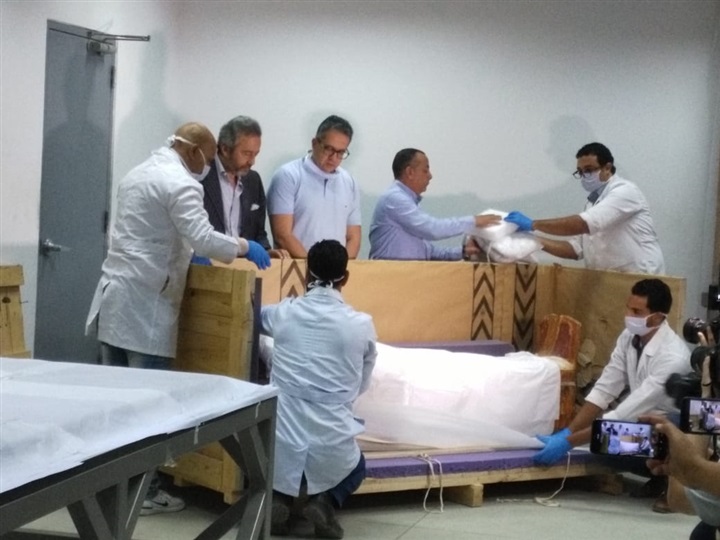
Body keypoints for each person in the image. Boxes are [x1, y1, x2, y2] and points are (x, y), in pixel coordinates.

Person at [85, 122, 270, 515]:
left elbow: (156, 234)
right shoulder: (180, 183)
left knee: (115, 407)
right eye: (208, 158)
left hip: (116, 300)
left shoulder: (137, 174)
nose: (207, 167)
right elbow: (203, 237)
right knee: (148, 408)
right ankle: (145, 492)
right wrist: (244, 245)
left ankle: (111, 489)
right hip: (147, 307)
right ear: (194, 151)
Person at [532, 279, 691, 510]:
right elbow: (605, 388)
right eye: (628, 308)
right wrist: (569, 431)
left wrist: (567, 443)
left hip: (670, 427)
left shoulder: (673, 358)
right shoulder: (629, 337)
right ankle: (658, 477)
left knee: (620, 437)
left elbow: (624, 413)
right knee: (601, 447)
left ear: (657, 317)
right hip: (642, 421)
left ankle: (674, 484)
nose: (629, 315)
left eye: (637, 312)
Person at [260, 240, 377, 538]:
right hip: (332, 439)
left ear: (305, 273)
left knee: (281, 461)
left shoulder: (284, 314)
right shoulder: (361, 325)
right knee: (356, 467)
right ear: (345, 278)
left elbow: (251, 315)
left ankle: (279, 500)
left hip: (282, 437)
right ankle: (325, 502)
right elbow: (361, 383)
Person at [504, 142, 665, 274]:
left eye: (589, 170)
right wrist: (534, 241)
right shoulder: (592, 203)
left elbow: (583, 224)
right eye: (580, 172)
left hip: (641, 276)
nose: (584, 176)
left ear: (607, 168)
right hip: (612, 280)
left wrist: (533, 224)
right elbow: (576, 249)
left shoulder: (625, 192)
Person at [369, 148, 501, 260]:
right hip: (390, 277)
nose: (430, 176)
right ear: (410, 172)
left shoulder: (410, 203)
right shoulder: (395, 199)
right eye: (425, 170)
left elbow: (427, 251)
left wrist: (463, 252)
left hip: (408, 276)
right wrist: (473, 222)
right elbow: (432, 229)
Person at [267, 115, 361, 259]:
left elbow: (353, 237)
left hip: (336, 270)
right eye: (329, 149)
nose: (333, 157)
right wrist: (314, 267)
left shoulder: (349, 181)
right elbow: (283, 235)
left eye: (341, 152)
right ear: (314, 143)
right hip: (297, 267)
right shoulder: (288, 175)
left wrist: (340, 267)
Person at [201, 115, 288, 259]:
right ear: (225, 149)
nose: (252, 161)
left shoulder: (253, 180)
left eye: (255, 154)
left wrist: (266, 251)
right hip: (208, 263)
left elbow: (259, 232)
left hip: (244, 267)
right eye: (247, 154)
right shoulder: (201, 175)